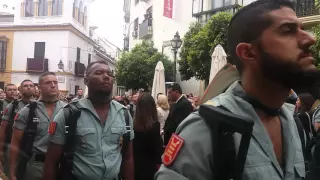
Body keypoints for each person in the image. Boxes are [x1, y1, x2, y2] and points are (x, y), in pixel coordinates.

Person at [155, 0, 319, 179]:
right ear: (248, 53)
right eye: (288, 30)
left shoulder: (293, 124)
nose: (310, 39)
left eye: (302, 29)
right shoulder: (205, 128)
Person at [43, 61, 134, 180]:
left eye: (109, 74)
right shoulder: (68, 114)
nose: (106, 76)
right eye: (99, 73)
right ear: (86, 81)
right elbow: (51, 162)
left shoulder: (124, 114)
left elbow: (128, 158)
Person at [9, 72, 66, 180]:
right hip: (36, 166)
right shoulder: (27, 111)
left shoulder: (67, 110)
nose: (53, 85)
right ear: (39, 87)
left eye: (55, 82)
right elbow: (15, 143)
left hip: (61, 165)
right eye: (48, 82)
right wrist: (13, 174)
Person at [0, 80, 35, 178]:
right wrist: (1, 151)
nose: (28, 88)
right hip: (13, 147)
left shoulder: (39, 106)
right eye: (25, 86)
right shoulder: (13, 106)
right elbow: (3, 128)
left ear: (35, 88)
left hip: (32, 150)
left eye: (31, 86)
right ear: (20, 89)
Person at [133, 93, 163, 180]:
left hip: (135, 166)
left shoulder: (133, 124)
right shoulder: (154, 125)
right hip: (149, 167)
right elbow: (157, 150)